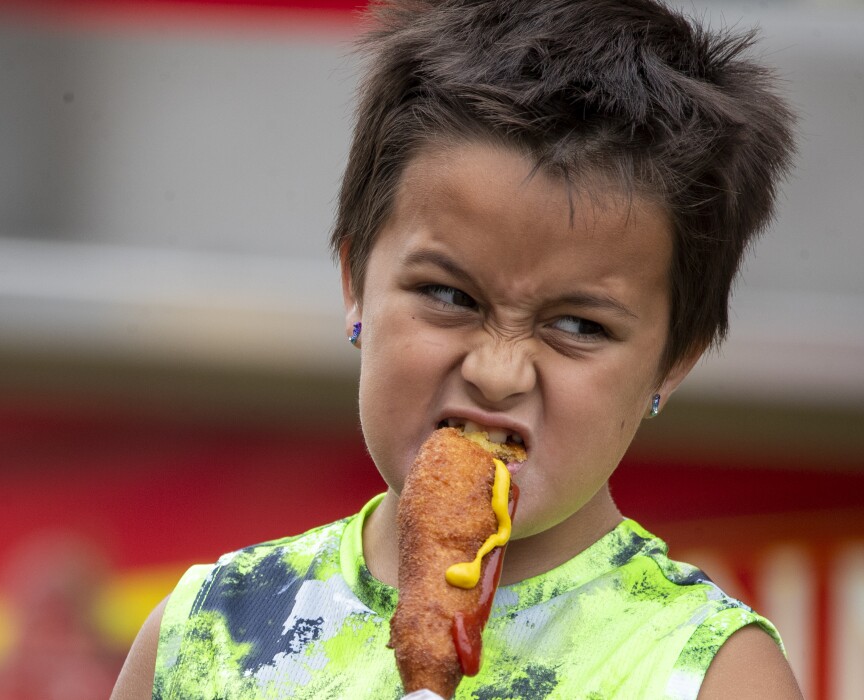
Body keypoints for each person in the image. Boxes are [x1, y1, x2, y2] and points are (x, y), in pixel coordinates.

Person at [111, 0, 801, 697]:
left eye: (581, 326)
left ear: (674, 360)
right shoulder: (208, 638)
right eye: (448, 296)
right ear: (356, 282)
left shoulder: (706, 671)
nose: (497, 373)